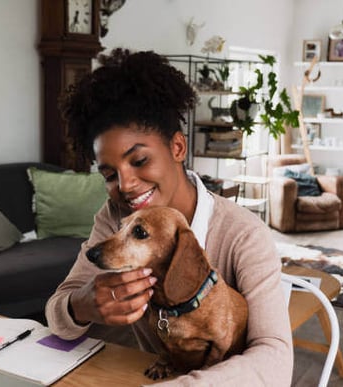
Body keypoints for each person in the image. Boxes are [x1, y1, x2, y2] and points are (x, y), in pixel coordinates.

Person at [45, 48, 293, 386]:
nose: (126, 185)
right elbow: (57, 311)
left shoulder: (243, 234)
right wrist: (80, 306)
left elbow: (276, 360)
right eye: (108, 174)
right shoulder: (118, 218)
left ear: (177, 148)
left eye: (139, 160)